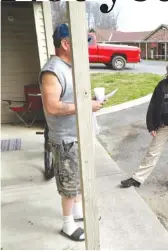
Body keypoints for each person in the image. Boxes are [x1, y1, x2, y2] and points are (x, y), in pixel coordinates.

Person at [39, 23, 103, 242]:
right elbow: (52, 107)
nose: (84, 47)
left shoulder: (69, 66)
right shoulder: (52, 70)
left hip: (77, 135)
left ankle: (77, 212)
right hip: (65, 140)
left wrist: (90, 102)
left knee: (77, 179)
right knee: (68, 184)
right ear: (66, 43)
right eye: (80, 42)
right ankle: (67, 223)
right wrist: (86, 105)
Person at [121, 61, 168, 191]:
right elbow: (152, 106)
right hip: (163, 127)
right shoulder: (161, 86)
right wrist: (151, 126)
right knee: (152, 153)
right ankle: (137, 178)